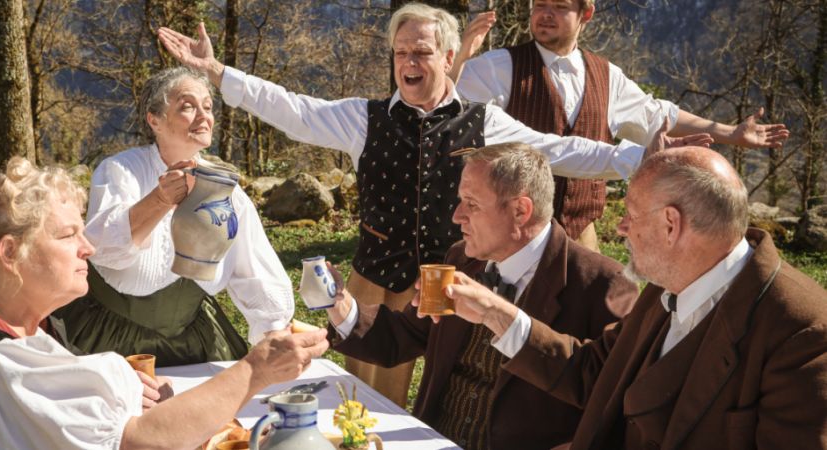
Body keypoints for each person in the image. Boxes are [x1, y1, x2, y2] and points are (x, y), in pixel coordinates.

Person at [156, 2, 708, 406]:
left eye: (420, 52)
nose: (408, 62)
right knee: (368, 402)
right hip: (378, 280)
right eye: (400, 53)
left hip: (454, 279)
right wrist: (219, 74)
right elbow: (292, 108)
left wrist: (635, 159)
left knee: (456, 391)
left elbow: (559, 150)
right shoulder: (362, 118)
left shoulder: (484, 120)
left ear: (449, 56)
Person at [0, 157, 329, 449]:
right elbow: (143, 444)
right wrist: (256, 369)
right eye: (68, 235)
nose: (88, 247)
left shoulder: (18, 334)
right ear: (11, 253)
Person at [442, 147, 827, 449]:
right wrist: (496, 314)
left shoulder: (802, 330)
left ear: (671, 224)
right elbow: (593, 372)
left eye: (630, 214)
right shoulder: (665, 287)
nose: (621, 228)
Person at [322, 142, 639, 450]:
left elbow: (615, 394)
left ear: (520, 210)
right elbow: (404, 336)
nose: (457, 216)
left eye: (471, 204)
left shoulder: (604, 283)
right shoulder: (461, 258)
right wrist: (340, 305)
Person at [452, 1, 790, 251]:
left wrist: (727, 132)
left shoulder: (606, 75)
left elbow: (657, 115)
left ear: (586, 14)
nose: (546, 15)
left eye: (559, 6)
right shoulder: (498, 67)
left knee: (590, 328)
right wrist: (461, 55)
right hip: (513, 229)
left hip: (581, 230)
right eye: (540, 5)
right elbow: (449, 104)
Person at [54, 67, 296, 366]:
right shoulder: (121, 170)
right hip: (108, 336)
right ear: (154, 119)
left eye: (207, 107)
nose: (203, 116)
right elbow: (102, 248)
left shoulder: (226, 191)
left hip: (194, 337)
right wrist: (160, 199)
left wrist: (274, 330)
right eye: (188, 106)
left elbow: (255, 268)